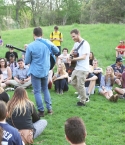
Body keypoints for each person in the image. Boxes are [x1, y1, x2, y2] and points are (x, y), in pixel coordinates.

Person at [25, 27, 59, 117]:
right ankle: (50, 108)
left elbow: (27, 61)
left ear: (33, 34)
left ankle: (41, 111)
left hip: (35, 71)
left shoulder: (30, 46)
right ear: (42, 34)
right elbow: (57, 51)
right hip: (45, 70)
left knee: (37, 91)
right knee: (45, 89)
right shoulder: (47, 42)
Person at [69, 29, 90, 106]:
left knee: (81, 85)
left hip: (83, 68)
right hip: (77, 67)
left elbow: (84, 57)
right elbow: (72, 50)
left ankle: (83, 101)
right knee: (73, 82)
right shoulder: (76, 44)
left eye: (74, 36)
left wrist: (73, 59)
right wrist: (69, 56)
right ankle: (84, 95)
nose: (73, 38)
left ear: (78, 34)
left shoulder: (85, 44)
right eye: (72, 37)